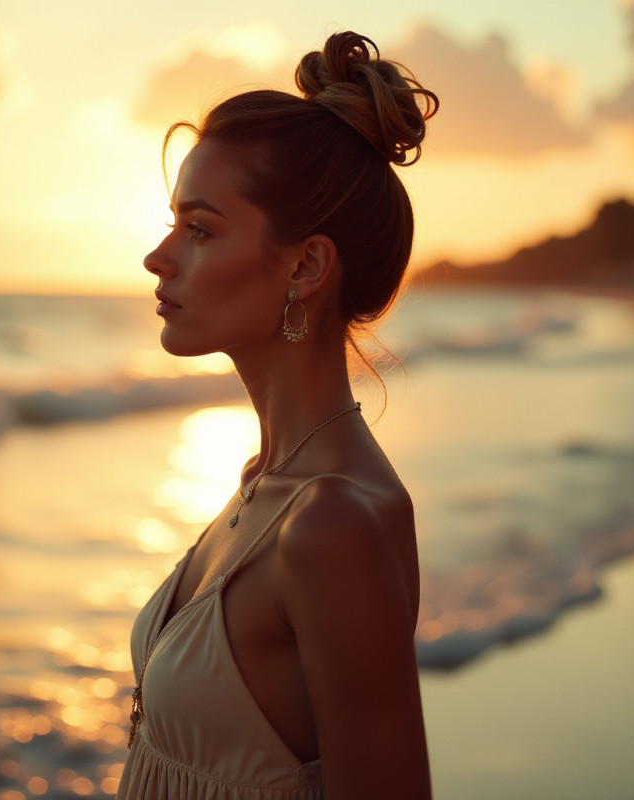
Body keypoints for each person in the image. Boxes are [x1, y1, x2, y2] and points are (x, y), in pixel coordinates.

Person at [117, 31, 438, 800]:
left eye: (200, 229)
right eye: (173, 223)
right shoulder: (267, 482)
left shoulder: (336, 525)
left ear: (306, 266)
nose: (158, 258)